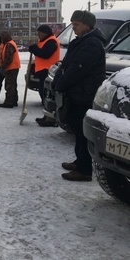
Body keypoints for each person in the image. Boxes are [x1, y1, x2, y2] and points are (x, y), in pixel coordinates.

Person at [52, 10, 105, 182]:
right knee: (77, 129)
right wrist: (58, 79)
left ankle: (84, 170)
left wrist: (61, 84)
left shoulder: (92, 44)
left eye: (76, 24)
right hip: (77, 93)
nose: (73, 28)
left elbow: (77, 69)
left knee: (83, 133)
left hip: (84, 94)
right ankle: (79, 161)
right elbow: (67, 65)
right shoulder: (82, 41)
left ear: (87, 25)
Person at [28, 24, 60, 127]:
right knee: (44, 95)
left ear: (45, 33)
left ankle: (51, 119)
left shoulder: (51, 41)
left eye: (39, 32)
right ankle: (47, 116)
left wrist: (34, 50)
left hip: (48, 72)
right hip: (43, 71)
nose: (38, 34)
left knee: (47, 95)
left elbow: (45, 54)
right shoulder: (44, 41)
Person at [0, 30, 21, 108]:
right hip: (14, 67)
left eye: (1, 37)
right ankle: (14, 100)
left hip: (11, 68)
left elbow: (8, 58)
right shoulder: (10, 43)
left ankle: (9, 102)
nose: (1, 39)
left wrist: (3, 67)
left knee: (9, 85)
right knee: (13, 85)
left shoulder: (9, 45)